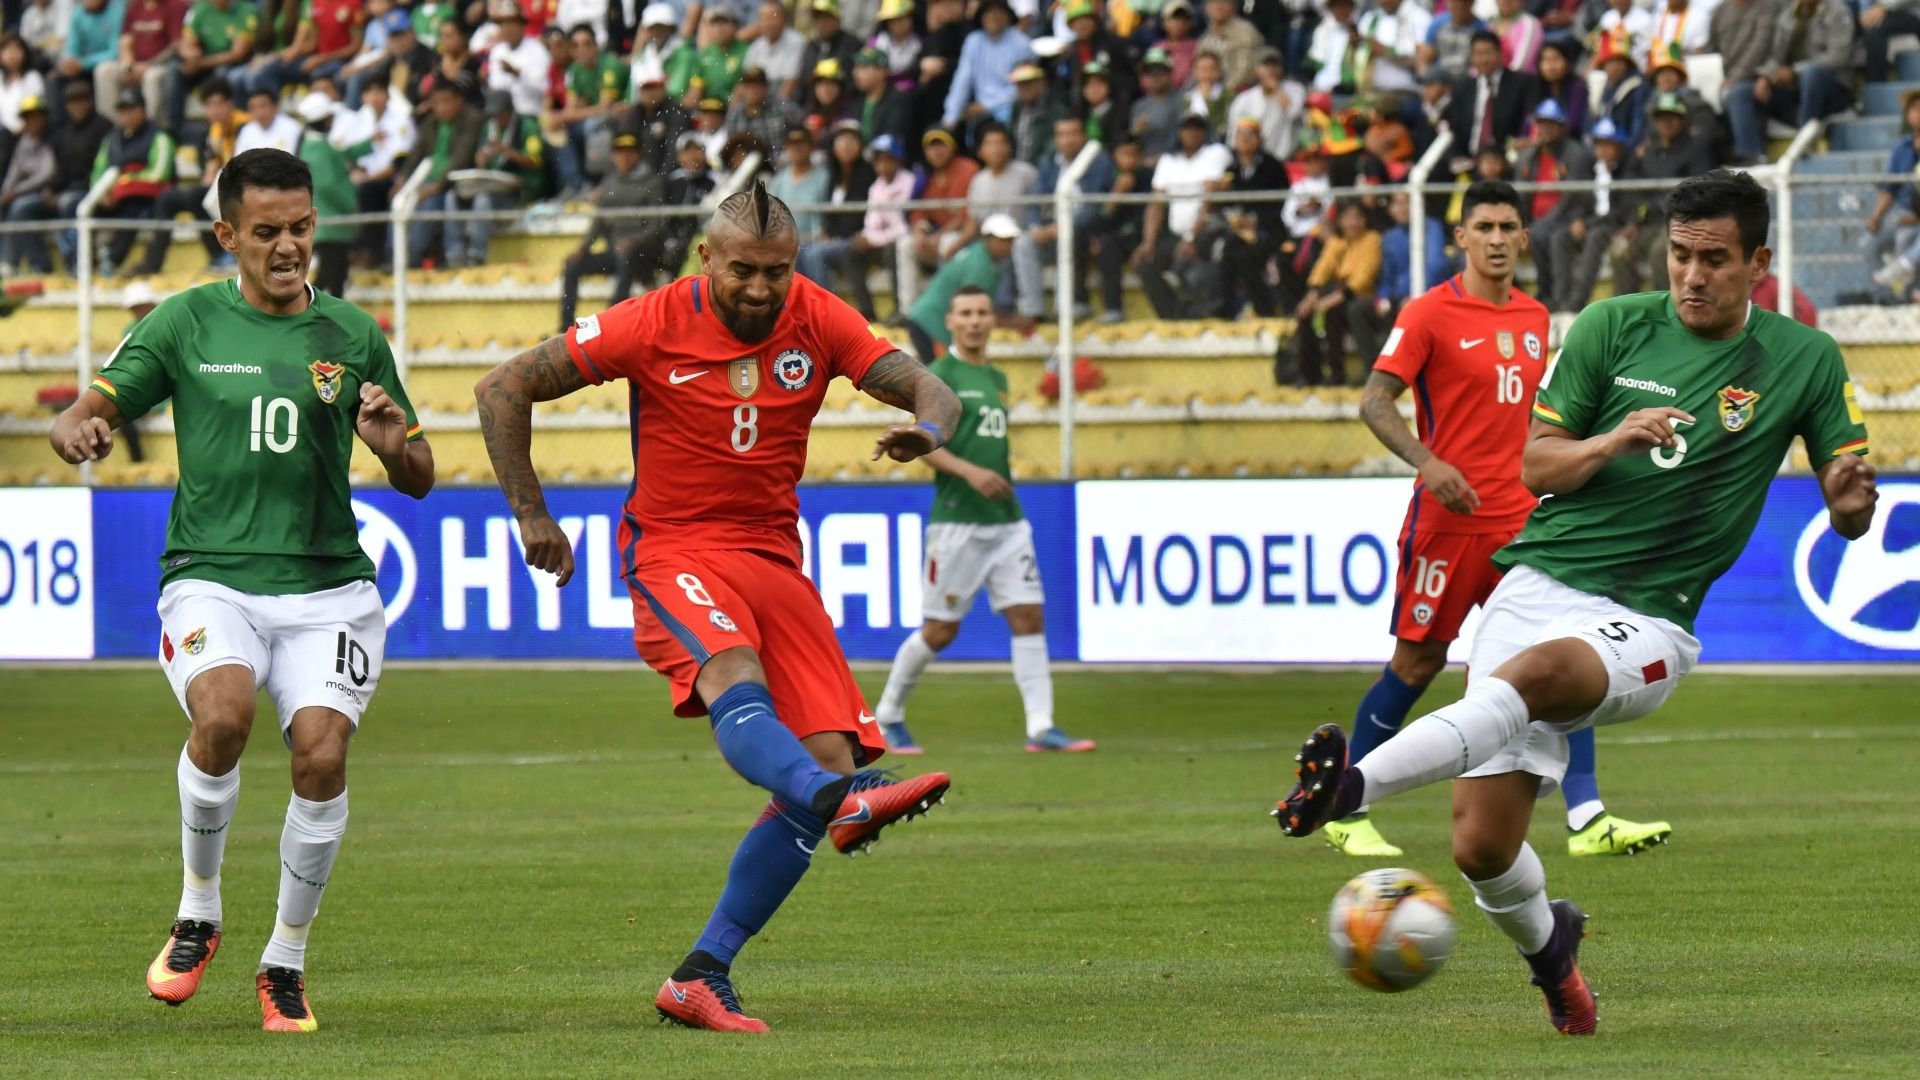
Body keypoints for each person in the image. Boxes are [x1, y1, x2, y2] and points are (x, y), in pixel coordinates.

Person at [1273, 169, 1876, 1034]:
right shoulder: (1611, 326)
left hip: (1651, 615)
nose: (1692, 276)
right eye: (1679, 255)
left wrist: (1850, 507)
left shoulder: (1804, 358)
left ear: (1758, 263)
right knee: (1481, 846)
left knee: (1541, 675)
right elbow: (1536, 466)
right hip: (1538, 582)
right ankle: (1554, 956)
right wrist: (1610, 441)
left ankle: (1351, 789)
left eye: (1714, 259)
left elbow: (1847, 500)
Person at [473, 182, 960, 1034]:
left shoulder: (818, 316)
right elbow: (501, 387)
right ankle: (841, 799)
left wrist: (932, 430)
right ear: (707, 258)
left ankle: (701, 976)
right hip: (674, 549)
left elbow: (932, 388)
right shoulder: (650, 321)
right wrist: (531, 514)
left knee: (823, 763)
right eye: (743, 271)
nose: (761, 289)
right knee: (737, 678)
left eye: (777, 272)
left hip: (774, 560)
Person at [49, 147, 435, 1034]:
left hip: (329, 588)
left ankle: (284, 962)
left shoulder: (353, 334)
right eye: (266, 232)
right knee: (222, 717)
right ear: (228, 234)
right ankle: (199, 909)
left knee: (322, 758)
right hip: (211, 575)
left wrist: (392, 445)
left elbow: (419, 473)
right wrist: (79, 433)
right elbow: (85, 411)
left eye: (300, 228)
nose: (287, 246)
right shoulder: (184, 322)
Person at [877, 283, 1093, 756]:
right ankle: (887, 716)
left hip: (1007, 520)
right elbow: (922, 445)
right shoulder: (939, 376)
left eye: (982, 313)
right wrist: (970, 472)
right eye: (966, 313)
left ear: (992, 320)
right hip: (958, 522)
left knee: (1028, 615)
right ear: (950, 322)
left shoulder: (997, 377)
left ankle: (1041, 726)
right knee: (940, 630)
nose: (975, 321)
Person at [130, 78, 237, 278]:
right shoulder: (210, 132)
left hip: (237, 187)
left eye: (218, 104)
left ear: (230, 103)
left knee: (197, 197)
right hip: (217, 186)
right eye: (209, 105)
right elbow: (209, 167)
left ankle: (223, 254)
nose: (214, 111)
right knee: (167, 199)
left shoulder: (244, 126)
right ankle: (152, 263)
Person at [1010, 115, 1111, 326]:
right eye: (1062, 134)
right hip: (1051, 230)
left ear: (1083, 135)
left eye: (1073, 133)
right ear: (1056, 138)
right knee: (1023, 243)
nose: (1068, 139)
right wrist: (1037, 227)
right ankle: (1034, 311)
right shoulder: (1049, 162)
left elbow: (1094, 208)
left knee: (1069, 240)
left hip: (1085, 234)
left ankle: (1063, 311)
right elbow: (1037, 201)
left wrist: (1063, 228)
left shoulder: (1098, 160)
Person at [1612, 93, 1711, 295]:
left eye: (1671, 117)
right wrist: (1633, 221)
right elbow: (1632, 188)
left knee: (1661, 252)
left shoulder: (1696, 148)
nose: (1665, 122)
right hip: (1648, 223)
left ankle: (1666, 305)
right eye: (1660, 117)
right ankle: (1627, 305)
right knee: (1620, 250)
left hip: (1681, 224)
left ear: (1682, 120)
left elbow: (1699, 190)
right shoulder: (1647, 150)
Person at [556, 132, 658, 328]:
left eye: (629, 152)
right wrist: (583, 249)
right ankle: (565, 326)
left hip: (640, 252)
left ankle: (611, 323)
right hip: (614, 251)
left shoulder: (651, 182)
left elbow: (656, 226)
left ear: (637, 155)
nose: (624, 157)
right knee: (573, 265)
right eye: (619, 152)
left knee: (626, 258)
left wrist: (635, 241)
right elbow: (599, 221)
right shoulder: (610, 181)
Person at [1288, 199, 1379, 386]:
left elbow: (1363, 279)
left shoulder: (1372, 240)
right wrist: (1312, 295)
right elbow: (1323, 268)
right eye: (1347, 218)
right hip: (1337, 291)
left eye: (1357, 218)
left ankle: (1337, 374)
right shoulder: (1337, 241)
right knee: (1305, 313)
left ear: (1365, 220)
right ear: (1339, 221)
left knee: (1332, 314)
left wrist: (1330, 300)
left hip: (1360, 294)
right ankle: (1309, 374)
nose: (1352, 223)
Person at [906, 213, 1018, 363]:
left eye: (1010, 241)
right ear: (987, 239)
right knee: (939, 376)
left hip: (930, 323)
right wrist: (1012, 322)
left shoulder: (982, 257)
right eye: (1002, 240)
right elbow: (974, 307)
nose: (1006, 246)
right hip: (930, 325)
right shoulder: (980, 266)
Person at [1516, 98, 1591, 311]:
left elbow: (1574, 196)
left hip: (1566, 217)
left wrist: (1541, 224)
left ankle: (1552, 295)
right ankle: (1520, 298)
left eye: (1552, 124)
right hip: (1535, 220)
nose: (1546, 129)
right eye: (1542, 123)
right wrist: (1521, 224)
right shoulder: (1528, 157)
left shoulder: (1575, 154)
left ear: (1562, 127)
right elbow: (1520, 196)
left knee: (1543, 235)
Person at [895, 126, 976, 316]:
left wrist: (938, 236)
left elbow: (966, 213)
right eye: (931, 147)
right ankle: (908, 312)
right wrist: (920, 232)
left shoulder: (967, 169)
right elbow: (917, 211)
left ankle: (947, 310)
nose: (936, 151)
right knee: (905, 244)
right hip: (934, 236)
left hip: (964, 238)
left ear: (952, 147)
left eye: (941, 145)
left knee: (947, 242)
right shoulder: (924, 175)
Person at [401, 77, 482, 269]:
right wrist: (402, 181)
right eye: (436, 103)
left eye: (446, 101)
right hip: (426, 183)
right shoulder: (430, 123)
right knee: (398, 202)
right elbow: (415, 155)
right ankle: (393, 256)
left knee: (429, 206)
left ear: (459, 100)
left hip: (452, 183)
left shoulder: (472, 119)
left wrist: (436, 187)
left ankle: (410, 260)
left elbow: (461, 159)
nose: (441, 107)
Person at [94, 88, 174, 275]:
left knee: (133, 208)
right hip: (113, 196)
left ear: (143, 110)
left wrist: (123, 183)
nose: (127, 115)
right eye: (123, 110)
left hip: (147, 198)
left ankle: (113, 259)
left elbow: (160, 173)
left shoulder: (159, 136)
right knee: (79, 207)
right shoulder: (111, 139)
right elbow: (98, 170)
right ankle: (82, 263)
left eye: (131, 109)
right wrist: (102, 193)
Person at [1753, 0, 1853, 134]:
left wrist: (1795, 71)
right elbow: (1776, 56)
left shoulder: (1837, 11)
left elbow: (1838, 57)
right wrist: (1766, 76)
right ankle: (1755, 146)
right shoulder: (1788, 15)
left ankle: (1805, 132)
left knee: (1810, 74)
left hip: (1832, 84)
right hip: (1795, 86)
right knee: (1747, 91)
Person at [290, 91, 354, 295]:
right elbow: (328, 185)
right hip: (331, 223)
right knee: (329, 273)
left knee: (337, 275)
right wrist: (352, 204)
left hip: (325, 223)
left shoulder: (311, 146)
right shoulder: (319, 149)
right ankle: (304, 308)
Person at [1446, 30, 1534, 171]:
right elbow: (1456, 127)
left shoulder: (1521, 83)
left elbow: (1527, 122)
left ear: (1500, 54)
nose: (1484, 60)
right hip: (1470, 162)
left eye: (1488, 53)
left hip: (1507, 161)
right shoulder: (1463, 87)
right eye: (1478, 54)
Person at [939, 0, 1028, 139]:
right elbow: (962, 79)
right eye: (988, 12)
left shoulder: (1022, 43)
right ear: (981, 17)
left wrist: (988, 105)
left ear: (1008, 16)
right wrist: (950, 117)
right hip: (978, 113)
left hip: (1011, 109)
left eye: (999, 12)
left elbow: (1023, 87)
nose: (994, 17)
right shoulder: (973, 41)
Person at [167, 0, 257, 133]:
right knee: (175, 69)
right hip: (203, 62)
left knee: (221, 76)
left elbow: (237, 54)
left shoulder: (246, 10)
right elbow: (187, 43)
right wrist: (191, 55)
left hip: (230, 64)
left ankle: (228, 129)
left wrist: (201, 63)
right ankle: (174, 129)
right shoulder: (199, 9)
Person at [1864, 89, 1920, 302]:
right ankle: (1883, 298)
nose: (1918, 114)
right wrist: (1877, 216)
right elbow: (1890, 188)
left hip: (1917, 218)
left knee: (1905, 237)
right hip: (1903, 214)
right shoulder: (1901, 149)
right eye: (1914, 109)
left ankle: (1908, 292)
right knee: (1869, 242)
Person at [1711, 0, 1780, 166]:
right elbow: (1711, 47)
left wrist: (1734, 77)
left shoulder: (1767, 7)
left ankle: (1750, 154)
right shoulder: (1720, 10)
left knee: (1736, 93)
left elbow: (1760, 47)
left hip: (1759, 76)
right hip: (1722, 77)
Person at [0, 95, 57, 275]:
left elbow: (47, 174)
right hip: (25, 192)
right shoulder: (24, 141)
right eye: (27, 117)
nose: (32, 120)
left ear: (44, 117)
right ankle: (6, 261)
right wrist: (7, 191)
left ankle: (38, 264)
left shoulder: (52, 139)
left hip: (48, 192)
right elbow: (14, 171)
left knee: (20, 208)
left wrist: (16, 191)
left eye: (35, 115)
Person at [102, 0, 185, 120]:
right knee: (104, 71)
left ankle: (149, 127)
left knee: (152, 76)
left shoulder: (176, 5)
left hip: (160, 65)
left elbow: (176, 45)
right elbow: (125, 41)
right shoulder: (135, 6)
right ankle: (114, 125)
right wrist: (128, 66)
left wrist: (149, 65)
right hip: (135, 64)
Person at [1228, 47, 1305, 162]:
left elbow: (1295, 114)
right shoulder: (1244, 99)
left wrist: (1276, 90)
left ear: (1282, 68)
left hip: (1286, 160)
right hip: (1253, 161)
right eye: (1266, 65)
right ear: (1256, 69)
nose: (1271, 70)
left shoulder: (1296, 90)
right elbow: (1233, 134)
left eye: (1275, 65)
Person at [745, 0, 806, 99]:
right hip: (759, 98)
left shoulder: (797, 42)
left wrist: (776, 107)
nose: (768, 23)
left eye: (772, 17)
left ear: (784, 19)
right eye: (764, 18)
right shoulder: (755, 47)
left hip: (786, 99)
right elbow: (746, 83)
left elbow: (790, 84)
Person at [235, 85, 302, 154]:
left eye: (263, 106)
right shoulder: (246, 130)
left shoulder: (292, 127)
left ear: (275, 106)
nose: (259, 113)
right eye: (253, 108)